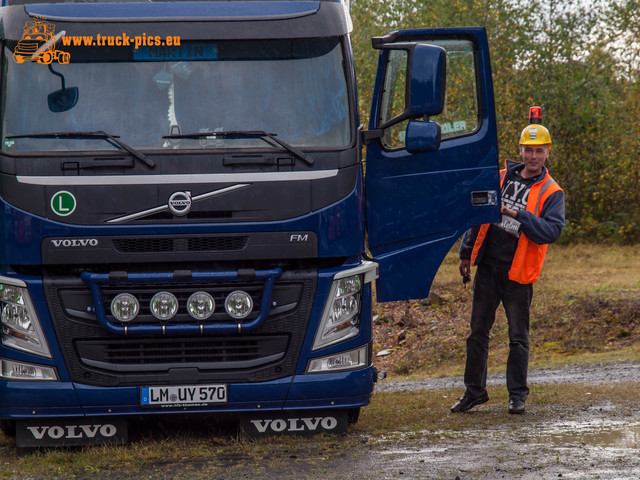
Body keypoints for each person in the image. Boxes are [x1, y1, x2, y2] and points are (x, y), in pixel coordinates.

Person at [451, 121, 565, 415]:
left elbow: (551, 231)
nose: (532, 156)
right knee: (477, 334)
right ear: (520, 150)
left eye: (539, 151)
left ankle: (517, 396)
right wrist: (466, 254)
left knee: (518, 338)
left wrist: (517, 213)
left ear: (547, 153)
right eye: (528, 150)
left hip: (518, 274)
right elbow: (477, 215)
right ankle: (474, 392)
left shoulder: (552, 192)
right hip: (488, 268)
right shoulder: (499, 177)